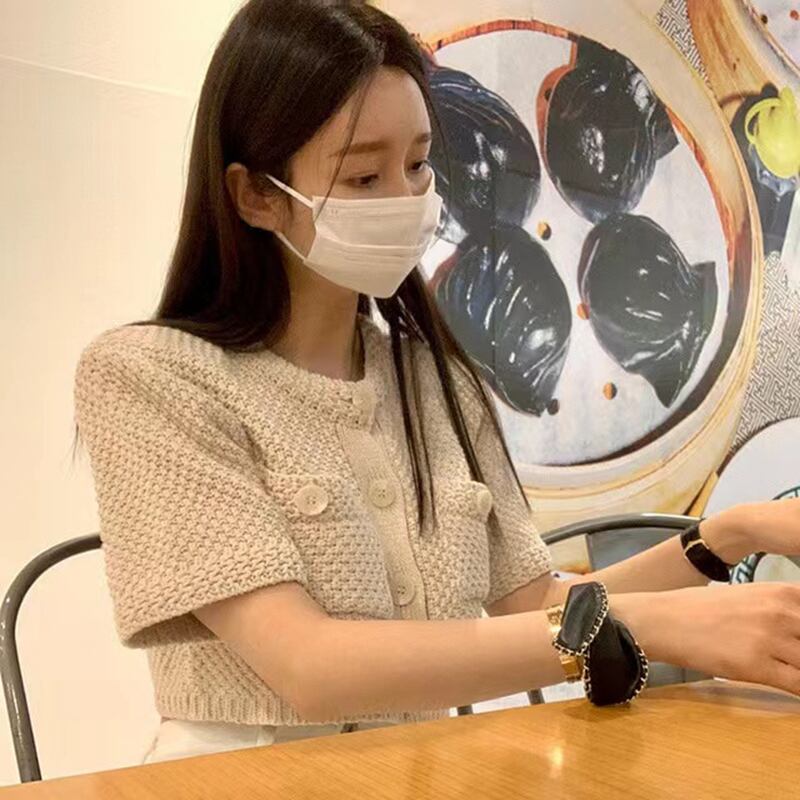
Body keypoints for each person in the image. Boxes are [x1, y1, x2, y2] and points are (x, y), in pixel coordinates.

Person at [72, 0, 800, 766]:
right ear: (256, 194)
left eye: (419, 165)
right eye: (363, 175)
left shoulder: (435, 381)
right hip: (236, 777)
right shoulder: (150, 379)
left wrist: (729, 536)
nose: (406, 198)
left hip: (414, 770)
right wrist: (640, 627)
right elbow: (310, 668)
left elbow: (534, 600)